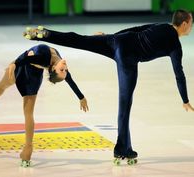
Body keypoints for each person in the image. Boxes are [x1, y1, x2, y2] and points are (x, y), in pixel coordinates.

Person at [23, 9, 194, 161]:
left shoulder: (162, 25)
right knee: (125, 105)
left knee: (79, 40)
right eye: (191, 23)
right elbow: (179, 74)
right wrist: (185, 99)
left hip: (117, 41)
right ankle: (122, 150)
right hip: (128, 57)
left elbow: (137, 30)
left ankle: (45, 33)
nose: (192, 27)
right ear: (184, 23)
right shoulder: (175, 45)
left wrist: (110, 37)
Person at [0, 44, 89, 167]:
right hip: (26, 67)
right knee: (2, 87)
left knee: (28, 111)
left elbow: (25, 58)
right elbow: (70, 80)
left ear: (53, 68)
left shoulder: (43, 58)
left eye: (62, 70)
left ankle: (27, 150)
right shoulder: (57, 62)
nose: (65, 69)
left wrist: (14, 63)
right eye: (64, 70)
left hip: (26, 71)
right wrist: (81, 97)